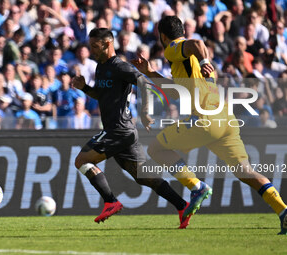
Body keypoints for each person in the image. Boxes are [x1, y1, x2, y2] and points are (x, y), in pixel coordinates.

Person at [132, 15, 287, 235]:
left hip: (205, 120)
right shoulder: (189, 62)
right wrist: (150, 73)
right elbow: (175, 91)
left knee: (156, 149)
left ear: (163, 36)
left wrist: (204, 61)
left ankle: (196, 187)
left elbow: (197, 43)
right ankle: (283, 211)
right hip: (225, 119)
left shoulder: (173, 49)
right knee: (245, 171)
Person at [72, 28, 191, 228]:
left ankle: (110, 201)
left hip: (117, 130)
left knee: (82, 160)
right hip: (123, 131)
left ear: (108, 44)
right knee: (144, 176)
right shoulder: (101, 67)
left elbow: (144, 81)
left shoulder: (119, 66)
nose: (92, 50)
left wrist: (145, 111)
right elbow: (102, 96)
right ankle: (182, 205)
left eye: (95, 46)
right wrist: (84, 88)